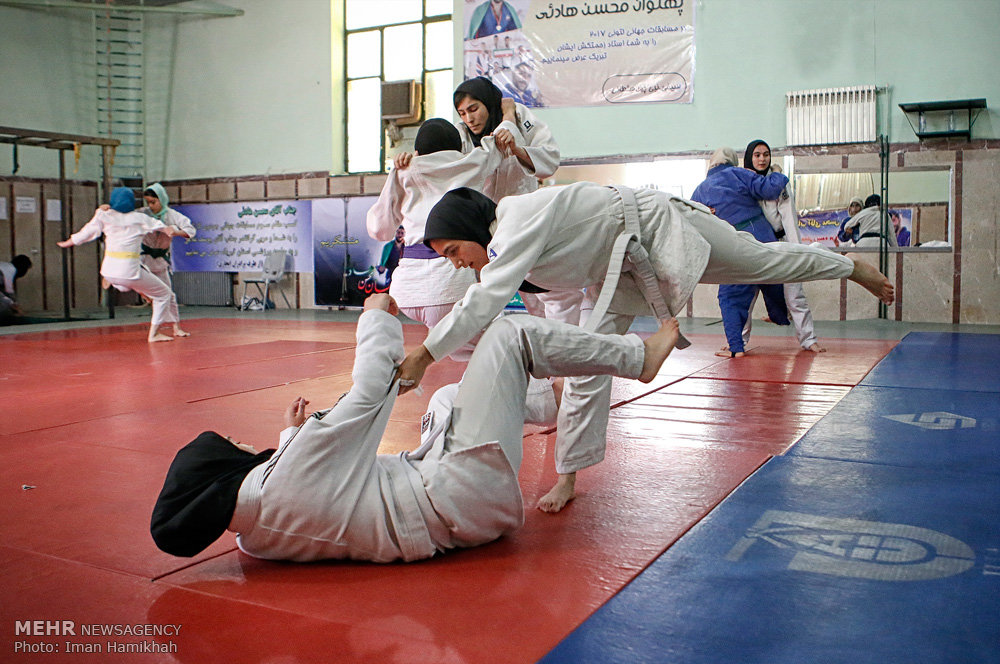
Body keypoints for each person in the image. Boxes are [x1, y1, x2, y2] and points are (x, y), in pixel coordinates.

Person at [396, 183, 894, 512]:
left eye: (453, 252)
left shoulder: (513, 223)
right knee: (588, 360)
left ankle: (851, 266)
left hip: (660, 227)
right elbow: (550, 306)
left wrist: (426, 352)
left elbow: (486, 298)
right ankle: (569, 476)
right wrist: (559, 358)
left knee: (761, 263)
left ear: (469, 230)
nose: (456, 263)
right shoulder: (515, 255)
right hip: (616, 271)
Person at [149, 293, 680, 562]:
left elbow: (311, 492)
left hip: (453, 515)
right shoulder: (283, 474)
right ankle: (638, 358)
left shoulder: (253, 543)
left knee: (450, 398)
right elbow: (367, 395)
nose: (248, 445)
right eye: (236, 446)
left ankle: (555, 400)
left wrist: (294, 438)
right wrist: (377, 316)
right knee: (509, 334)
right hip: (461, 492)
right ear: (227, 469)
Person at [370, 116, 522, 350]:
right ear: (459, 148)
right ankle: (536, 386)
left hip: (406, 294)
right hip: (451, 287)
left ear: (418, 151)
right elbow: (499, 146)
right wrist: (508, 119)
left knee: (456, 348)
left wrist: (396, 172)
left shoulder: (404, 170)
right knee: (496, 345)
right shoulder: (472, 161)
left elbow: (379, 229)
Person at [453, 76, 583, 327]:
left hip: (526, 220)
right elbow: (442, 162)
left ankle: (561, 345)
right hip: (487, 227)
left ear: (489, 104)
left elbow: (550, 159)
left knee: (544, 291)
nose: (469, 118)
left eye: (473, 109)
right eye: (462, 113)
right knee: (487, 293)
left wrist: (516, 147)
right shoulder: (461, 133)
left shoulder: (521, 118)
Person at [691, 148, 792, 358]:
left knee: (730, 297)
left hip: (733, 244)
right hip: (762, 236)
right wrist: (778, 173)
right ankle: (780, 316)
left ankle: (736, 348)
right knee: (772, 279)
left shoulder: (701, 189)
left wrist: (704, 212)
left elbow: (690, 217)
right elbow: (770, 189)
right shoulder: (740, 174)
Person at [57, 187, 191, 342]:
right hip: (129, 271)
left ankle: (136, 290)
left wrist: (70, 241)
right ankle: (154, 333)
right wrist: (175, 230)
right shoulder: (140, 219)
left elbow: (87, 232)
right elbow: (165, 228)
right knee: (164, 294)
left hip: (108, 270)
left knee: (130, 280)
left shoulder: (104, 215)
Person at [741, 139, 824, 353]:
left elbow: (788, 217)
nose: (762, 159)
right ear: (749, 157)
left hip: (781, 243)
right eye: (757, 155)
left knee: (794, 293)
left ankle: (808, 339)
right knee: (745, 296)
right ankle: (737, 341)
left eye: (766, 154)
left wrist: (797, 250)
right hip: (752, 246)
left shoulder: (778, 182)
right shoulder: (741, 183)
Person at [138, 183, 196, 335]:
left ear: (161, 200)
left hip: (161, 261)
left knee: (169, 295)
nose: (150, 206)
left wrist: (175, 232)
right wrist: (106, 209)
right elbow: (123, 217)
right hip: (143, 260)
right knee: (150, 292)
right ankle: (148, 301)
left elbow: (191, 231)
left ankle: (176, 327)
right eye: (148, 202)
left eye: (153, 202)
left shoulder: (172, 215)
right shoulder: (143, 213)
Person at [0, 254, 32, 323]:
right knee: (5, 305)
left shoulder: (6, 266)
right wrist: (16, 307)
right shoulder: (11, 269)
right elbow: (9, 291)